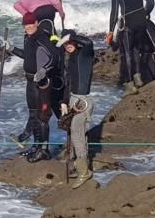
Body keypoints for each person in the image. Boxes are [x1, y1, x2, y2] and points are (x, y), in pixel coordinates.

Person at [7, 11, 57, 162]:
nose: (28, 27)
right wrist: (12, 49)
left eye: (31, 24)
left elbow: (54, 57)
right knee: (33, 114)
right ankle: (35, 147)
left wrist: (43, 70)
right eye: (26, 25)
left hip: (41, 83)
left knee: (42, 118)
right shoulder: (28, 38)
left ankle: (44, 150)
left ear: (36, 23)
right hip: (29, 81)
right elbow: (27, 56)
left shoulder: (42, 37)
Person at [106, 0, 155, 96]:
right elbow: (151, 2)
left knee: (127, 52)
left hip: (127, 24)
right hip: (141, 22)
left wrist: (111, 31)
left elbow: (114, 11)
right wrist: (144, 14)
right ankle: (138, 78)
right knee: (136, 49)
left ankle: (130, 85)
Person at [57, 30, 95, 188]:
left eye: (69, 42)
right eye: (65, 44)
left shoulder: (85, 54)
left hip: (84, 101)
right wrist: (64, 102)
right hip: (72, 99)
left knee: (77, 132)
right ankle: (76, 164)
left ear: (75, 41)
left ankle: (84, 172)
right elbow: (69, 82)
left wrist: (71, 37)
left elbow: (89, 43)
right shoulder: (70, 58)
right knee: (72, 132)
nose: (67, 46)